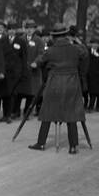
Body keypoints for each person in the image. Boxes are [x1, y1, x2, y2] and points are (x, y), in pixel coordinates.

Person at [28, 23, 88, 155]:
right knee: (71, 115)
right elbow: (85, 53)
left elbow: (39, 61)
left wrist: (34, 63)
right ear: (66, 35)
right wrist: (77, 41)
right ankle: (73, 146)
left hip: (54, 83)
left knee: (47, 113)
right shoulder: (75, 48)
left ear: (54, 36)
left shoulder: (50, 50)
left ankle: (41, 143)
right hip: (72, 83)